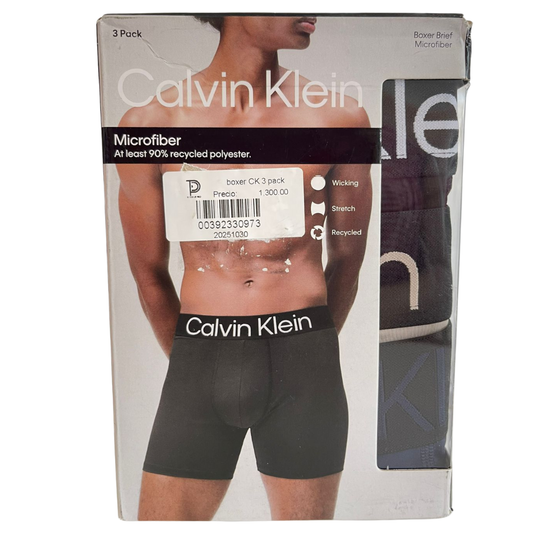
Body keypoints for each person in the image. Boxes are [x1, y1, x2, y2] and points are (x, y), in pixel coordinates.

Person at [117, 15, 372, 521]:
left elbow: (348, 259)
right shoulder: (150, 123)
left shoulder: (339, 118)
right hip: (199, 357)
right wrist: (198, 360)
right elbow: (148, 273)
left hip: (305, 360)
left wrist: (308, 350)